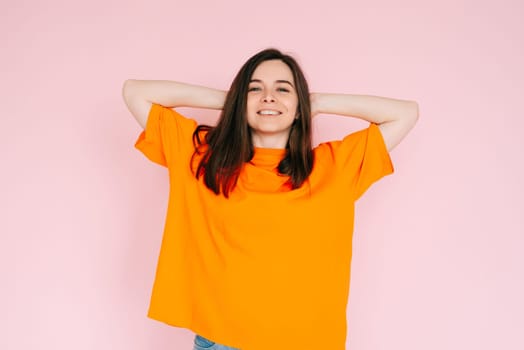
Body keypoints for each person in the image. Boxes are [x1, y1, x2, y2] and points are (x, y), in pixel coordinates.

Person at [122, 48, 418, 350]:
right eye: (255, 88)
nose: (268, 96)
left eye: (283, 89)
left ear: (300, 105)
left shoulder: (335, 165)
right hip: (223, 342)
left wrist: (316, 102)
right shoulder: (201, 156)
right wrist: (235, 102)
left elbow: (405, 113)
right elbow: (135, 91)